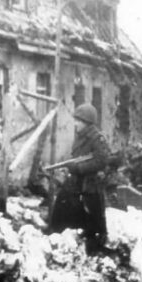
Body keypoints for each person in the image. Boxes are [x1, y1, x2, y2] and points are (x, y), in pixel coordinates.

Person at [49, 103, 111, 253]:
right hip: (76, 181)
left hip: (90, 184)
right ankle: (57, 237)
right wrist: (70, 167)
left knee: (94, 217)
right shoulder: (80, 137)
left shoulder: (97, 139)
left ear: (87, 122)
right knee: (62, 204)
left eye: (78, 121)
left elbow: (102, 161)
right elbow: (76, 158)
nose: (75, 123)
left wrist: (79, 168)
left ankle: (95, 246)